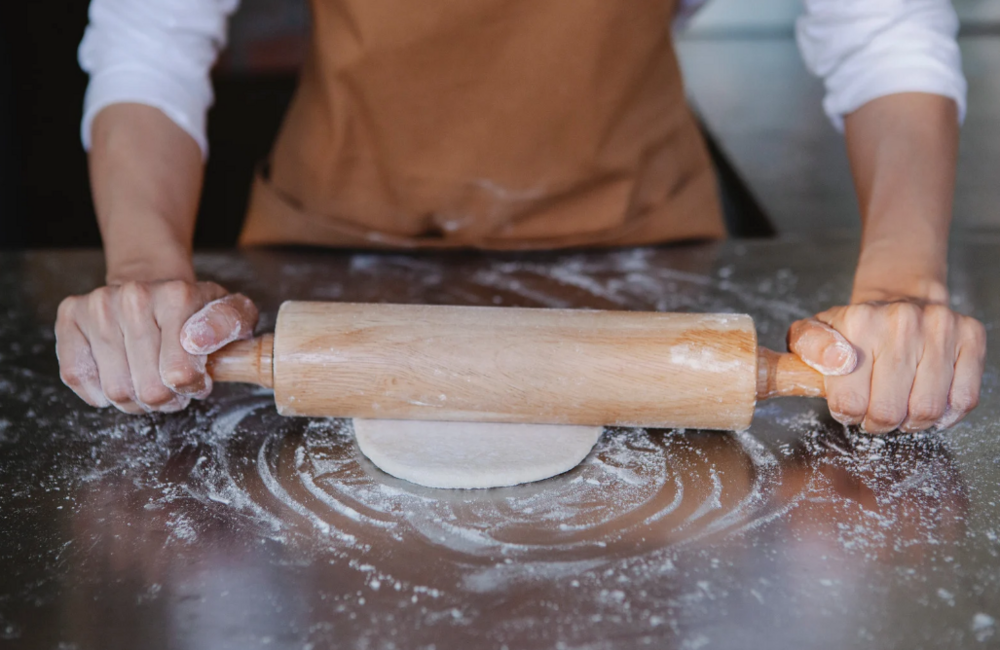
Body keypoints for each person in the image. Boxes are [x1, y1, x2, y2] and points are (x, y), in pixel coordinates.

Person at [56, 0, 986, 434]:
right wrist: (143, 270)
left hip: (645, 245)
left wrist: (903, 284)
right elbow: (152, 36)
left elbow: (881, 29)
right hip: (332, 243)